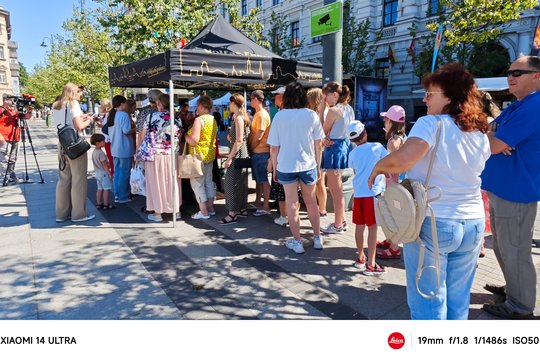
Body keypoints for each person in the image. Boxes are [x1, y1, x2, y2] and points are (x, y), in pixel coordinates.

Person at [368, 63, 490, 320]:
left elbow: (403, 160)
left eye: (430, 94)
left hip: (435, 222)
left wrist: (378, 166)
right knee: (459, 300)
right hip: (474, 223)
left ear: (450, 96)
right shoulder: (479, 130)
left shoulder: (431, 123)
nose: (424, 99)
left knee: (428, 301)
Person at [480, 55, 540, 320]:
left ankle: (520, 305)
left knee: (514, 250)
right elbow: (488, 131)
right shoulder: (519, 105)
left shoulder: (534, 106)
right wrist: (495, 136)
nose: (510, 76)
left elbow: (491, 144)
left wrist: (495, 138)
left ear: (537, 76)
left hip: (516, 191)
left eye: (518, 72)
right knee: (504, 247)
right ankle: (514, 289)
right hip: (504, 188)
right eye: (509, 72)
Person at [267, 82, 325, 254]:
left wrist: (275, 168)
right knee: (311, 202)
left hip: (286, 165)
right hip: (308, 165)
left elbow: (274, 148)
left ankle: (297, 242)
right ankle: (317, 238)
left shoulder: (280, 116)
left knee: (292, 204)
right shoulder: (311, 115)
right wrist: (318, 166)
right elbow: (319, 144)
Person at [347, 121, 388, 275]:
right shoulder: (377, 147)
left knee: (359, 226)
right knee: (372, 228)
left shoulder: (352, 154)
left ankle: (361, 258)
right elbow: (388, 161)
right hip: (373, 193)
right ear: (365, 133)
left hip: (358, 193)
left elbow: (355, 170)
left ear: (351, 140)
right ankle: (371, 264)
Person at [53, 82, 96, 223]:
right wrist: (89, 120)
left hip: (62, 144)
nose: (81, 94)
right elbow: (78, 126)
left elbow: (67, 123)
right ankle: (78, 214)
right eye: (79, 92)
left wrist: (82, 117)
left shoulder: (57, 105)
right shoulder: (73, 104)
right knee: (78, 180)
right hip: (75, 145)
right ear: (73, 92)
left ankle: (61, 214)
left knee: (64, 179)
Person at [138, 93, 181, 222]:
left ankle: (157, 212)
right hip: (172, 154)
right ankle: (176, 211)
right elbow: (179, 136)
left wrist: (138, 151)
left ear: (160, 104)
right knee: (172, 182)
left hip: (154, 154)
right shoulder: (176, 118)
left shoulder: (151, 116)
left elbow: (142, 136)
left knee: (156, 183)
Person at [319, 82, 354, 235]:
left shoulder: (334, 110)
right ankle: (342, 220)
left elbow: (321, 130)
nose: (324, 99)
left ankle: (338, 224)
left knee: (336, 188)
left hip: (334, 148)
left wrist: (321, 110)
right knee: (337, 187)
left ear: (334, 94)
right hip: (343, 145)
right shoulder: (348, 108)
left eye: (325, 95)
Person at [376, 105, 407, 260]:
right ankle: (390, 241)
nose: (384, 120)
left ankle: (394, 248)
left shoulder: (393, 142)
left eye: (386, 118)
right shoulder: (401, 137)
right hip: (397, 184)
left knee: (393, 215)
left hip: (394, 184)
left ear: (391, 121)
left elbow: (395, 165)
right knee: (392, 213)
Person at [184, 95, 218, 219]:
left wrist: (185, 137)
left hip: (197, 156)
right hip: (209, 154)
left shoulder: (199, 120)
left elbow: (194, 140)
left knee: (198, 184)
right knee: (208, 182)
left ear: (201, 106)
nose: (196, 108)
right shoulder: (212, 119)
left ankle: (203, 211)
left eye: (197, 106)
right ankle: (210, 208)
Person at [219, 93, 251, 225]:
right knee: (241, 183)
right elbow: (240, 138)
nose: (229, 105)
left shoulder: (238, 118)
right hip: (241, 153)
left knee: (231, 183)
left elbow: (238, 140)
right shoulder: (242, 117)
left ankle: (232, 214)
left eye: (230, 103)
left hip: (237, 154)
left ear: (233, 103)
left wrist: (229, 158)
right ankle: (242, 209)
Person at [268, 86, 289, 227]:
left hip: (282, 159)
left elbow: (274, 145)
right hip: (297, 160)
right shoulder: (302, 114)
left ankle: (284, 216)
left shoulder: (280, 115)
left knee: (282, 191)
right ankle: (289, 216)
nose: (274, 98)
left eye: (276, 96)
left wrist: (272, 161)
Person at [248, 90, 272, 216]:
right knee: (259, 179)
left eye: (251, 99)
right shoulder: (259, 114)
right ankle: (259, 202)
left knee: (262, 179)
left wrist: (251, 147)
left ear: (256, 99)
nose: (250, 101)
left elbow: (259, 135)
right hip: (258, 152)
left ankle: (266, 206)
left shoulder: (261, 115)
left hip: (260, 151)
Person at [108, 95, 135, 203]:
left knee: (118, 172)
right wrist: (135, 129)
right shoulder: (123, 115)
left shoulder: (110, 115)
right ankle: (124, 196)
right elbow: (126, 130)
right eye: (125, 103)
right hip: (124, 148)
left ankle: (117, 194)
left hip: (114, 147)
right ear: (122, 104)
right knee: (125, 173)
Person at [0, 94, 31, 185]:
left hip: (15, 138)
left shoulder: (14, 110)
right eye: (12, 100)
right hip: (4, 138)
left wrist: (30, 108)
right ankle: (5, 176)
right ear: (5, 100)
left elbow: (26, 117)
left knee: (13, 159)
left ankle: (10, 175)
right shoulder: (1, 110)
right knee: (4, 159)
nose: (14, 102)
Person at [307, 87, 327, 218]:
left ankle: (317, 210)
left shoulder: (317, 114)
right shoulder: (324, 112)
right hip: (322, 151)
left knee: (316, 182)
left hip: (317, 152)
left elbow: (319, 138)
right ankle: (322, 209)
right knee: (321, 182)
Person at [90, 133, 114, 210]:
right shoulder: (101, 153)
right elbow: (104, 164)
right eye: (103, 141)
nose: (104, 142)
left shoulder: (94, 152)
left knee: (99, 189)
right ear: (98, 143)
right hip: (103, 173)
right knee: (106, 189)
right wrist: (109, 173)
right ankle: (106, 204)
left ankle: (99, 203)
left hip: (97, 173)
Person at [95, 98, 114, 176]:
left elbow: (107, 127)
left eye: (102, 105)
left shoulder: (108, 114)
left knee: (110, 157)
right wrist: (99, 123)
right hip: (107, 139)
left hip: (108, 139)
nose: (100, 107)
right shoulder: (107, 114)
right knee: (110, 157)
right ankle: (113, 172)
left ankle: (113, 173)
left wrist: (101, 124)